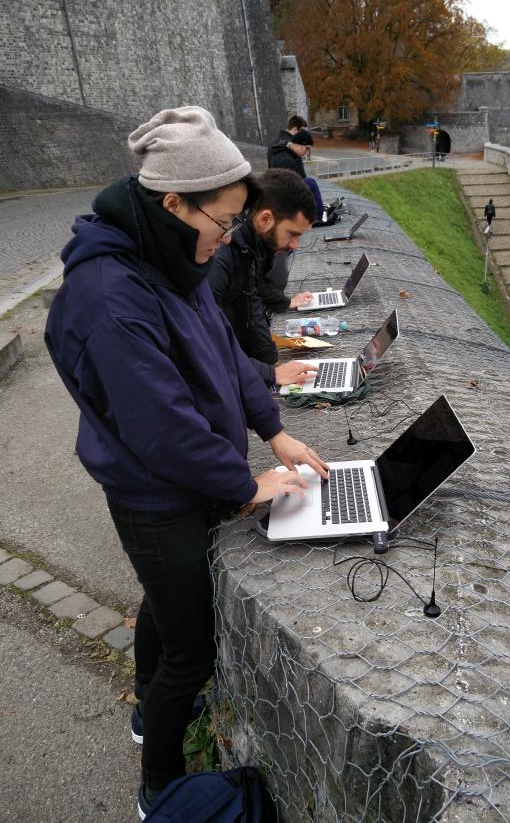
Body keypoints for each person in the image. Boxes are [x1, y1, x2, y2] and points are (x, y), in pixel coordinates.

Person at [44, 106, 327, 819]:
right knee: (191, 652)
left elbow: (225, 353)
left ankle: (147, 708)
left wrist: (273, 429)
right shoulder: (112, 291)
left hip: (183, 477)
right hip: (152, 490)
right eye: (222, 223)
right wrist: (243, 482)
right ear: (173, 202)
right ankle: (160, 786)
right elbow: (158, 422)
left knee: (164, 602)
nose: (228, 239)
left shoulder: (173, 254)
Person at [208, 168, 318, 389]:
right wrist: (268, 373)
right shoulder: (221, 255)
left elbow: (252, 299)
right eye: (293, 234)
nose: (295, 245)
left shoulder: (248, 244)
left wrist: (270, 361)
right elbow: (205, 338)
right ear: (265, 219)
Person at [267, 129, 324, 221]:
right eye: (307, 148)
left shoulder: (291, 154)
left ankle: (317, 215)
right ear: (298, 144)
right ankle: (317, 217)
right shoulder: (286, 159)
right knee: (311, 183)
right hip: (282, 197)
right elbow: (291, 189)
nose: (308, 152)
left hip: (284, 193)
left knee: (309, 182)